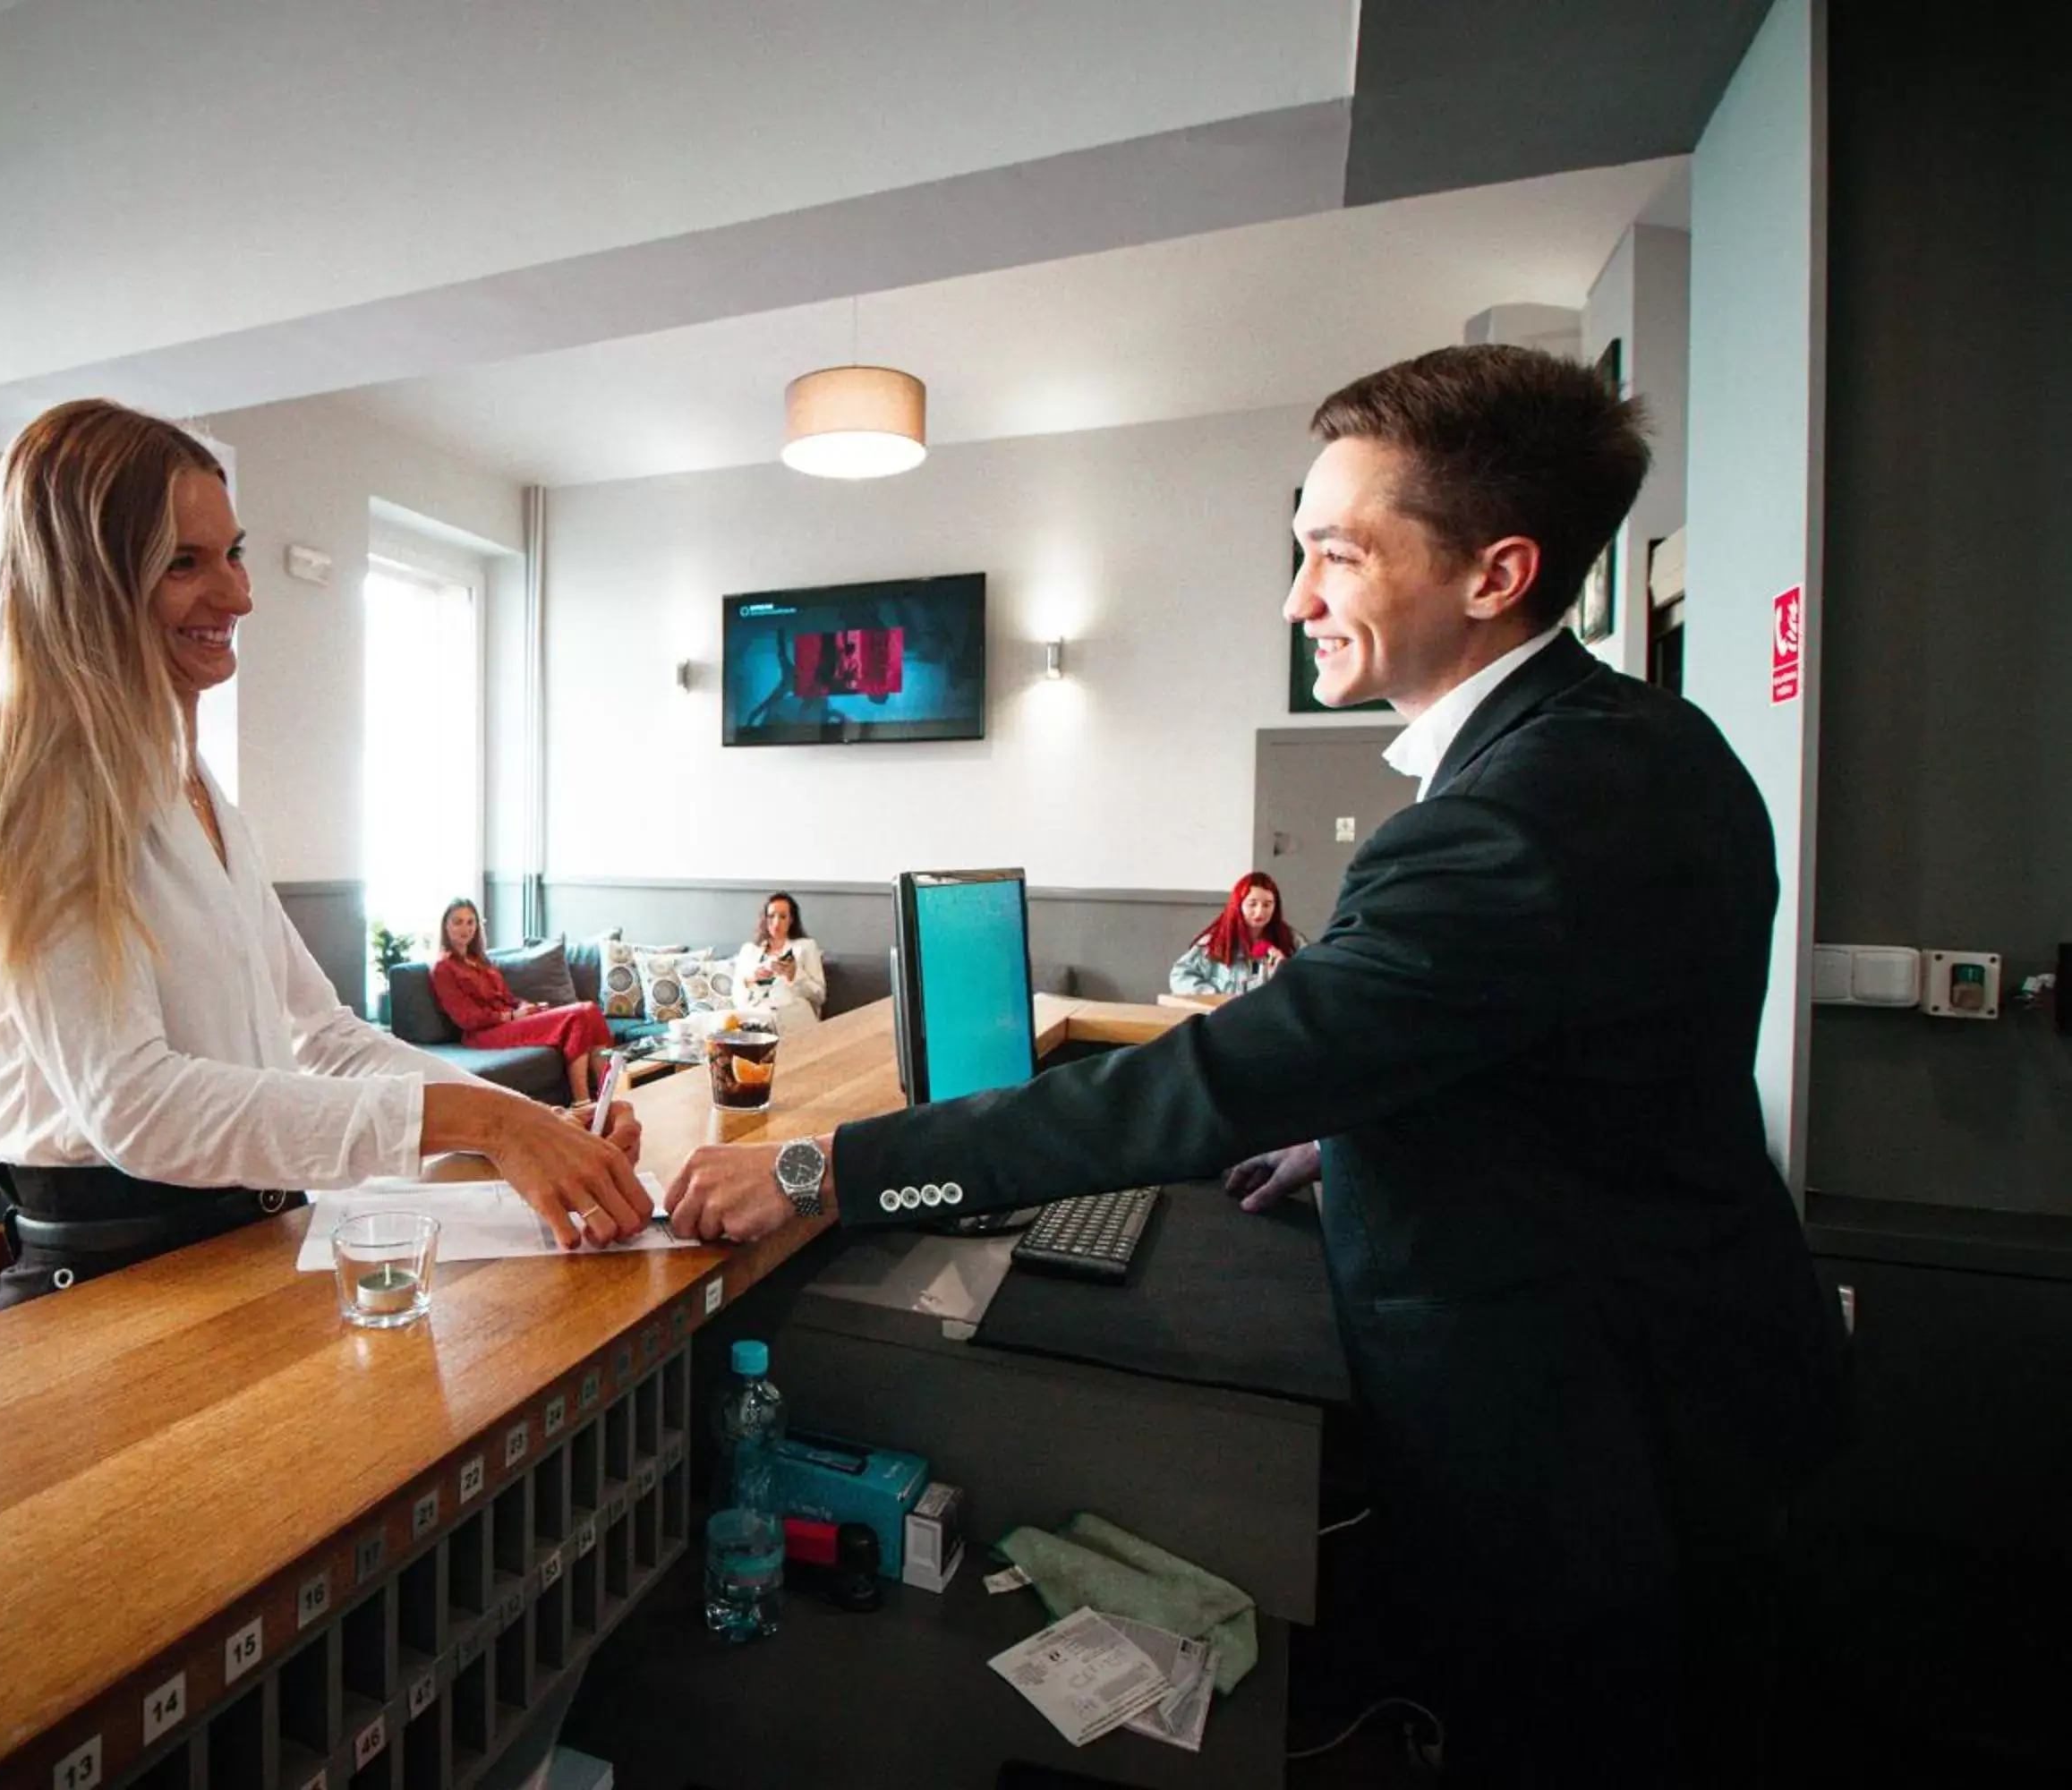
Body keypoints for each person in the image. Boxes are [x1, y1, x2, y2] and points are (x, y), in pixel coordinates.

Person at [665, 346, 1849, 1787]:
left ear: (1496, 574)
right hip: (1687, 1391)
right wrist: (1346, 1137)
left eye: (1337, 555)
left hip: (1606, 1451)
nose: (1300, 600)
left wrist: (824, 1171)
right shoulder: (1640, 745)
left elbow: (1204, 1086)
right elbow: (1555, 1066)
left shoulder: (1512, 822)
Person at [0, 399, 651, 1311]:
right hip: (106, 1289)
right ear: (88, 581)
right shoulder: (20, 772)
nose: (240, 595)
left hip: (244, 1251)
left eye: (233, 553)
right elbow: (136, 1105)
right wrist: (482, 1119)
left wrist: (535, 1126)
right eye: (184, 563)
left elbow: (325, 1038)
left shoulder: (194, 785)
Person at [429, 899, 615, 1104]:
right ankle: (583, 1104)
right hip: (484, 1034)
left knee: (591, 1011)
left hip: (510, 1020)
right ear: (446, 926)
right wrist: (510, 1015)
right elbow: (467, 1019)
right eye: (458, 922)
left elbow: (507, 997)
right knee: (578, 1014)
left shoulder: (480, 960)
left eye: (470, 922)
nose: (465, 929)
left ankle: (608, 1100)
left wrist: (524, 1006)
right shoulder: (443, 967)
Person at [1168, 872, 1301, 996]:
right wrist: (1213, 997)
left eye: (1267, 905)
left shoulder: (1292, 941)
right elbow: (1180, 976)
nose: (1259, 912)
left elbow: (1312, 978)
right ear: (1238, 905)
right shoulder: (1216, 942)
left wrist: (1286, 970)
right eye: (1252, 904)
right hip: (1224, 1018)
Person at [730, 891, 826, 1032]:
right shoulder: (749, 950)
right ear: (764, 918)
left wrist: (795, 975)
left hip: (792, 1015)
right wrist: (752, 980)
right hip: (756, 1015)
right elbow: (737, 997)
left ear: (791, 919)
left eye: (783, 917)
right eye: (771, 916)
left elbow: (819, 996)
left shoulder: (806, 946)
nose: (776, 923)